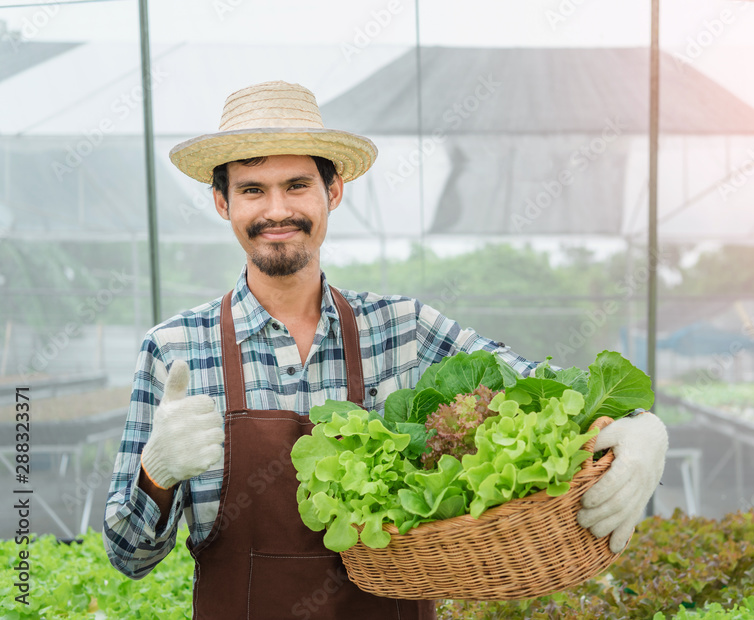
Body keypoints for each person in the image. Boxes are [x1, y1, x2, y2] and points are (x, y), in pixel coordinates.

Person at [102, 80, 669, 619]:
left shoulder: (404, 330)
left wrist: (640, 425)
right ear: (224, 204)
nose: (277, 210)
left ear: (334, 191)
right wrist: (157, 474)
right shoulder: (175, 348)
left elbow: (535, 384)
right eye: (252, 190)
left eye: (297, 185)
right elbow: (130, 558)